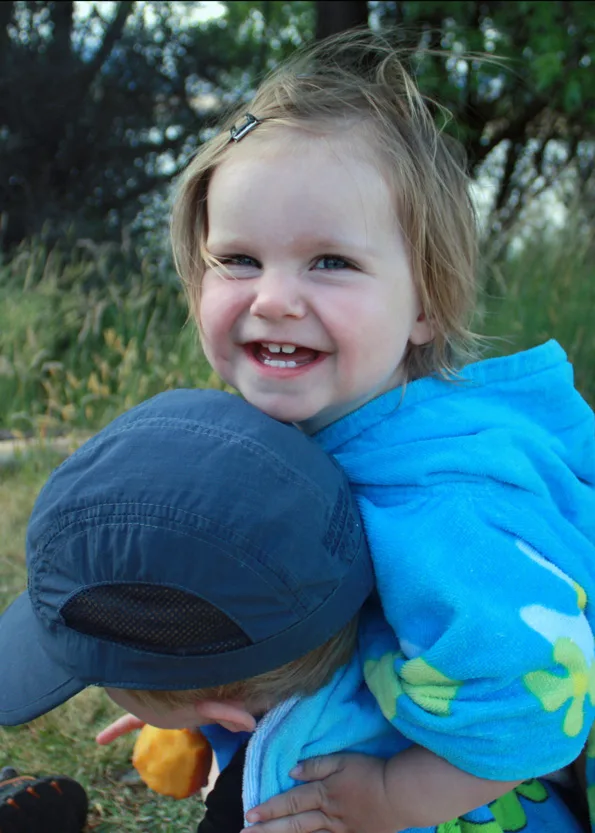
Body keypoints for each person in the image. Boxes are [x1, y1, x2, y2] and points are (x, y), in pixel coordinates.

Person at [162, 27, 595, 833]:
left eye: (329, 261)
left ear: (424, 303)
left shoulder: (441, 500)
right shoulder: (292, 439)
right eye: (238, 259)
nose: (273, 298)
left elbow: (534, 708)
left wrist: (389, 797)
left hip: (467, 797)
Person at [0, 388, 375, 833]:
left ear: (228, 717)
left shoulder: (265, 805)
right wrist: (177, 703)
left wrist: (178, 705)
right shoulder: (354, 571)